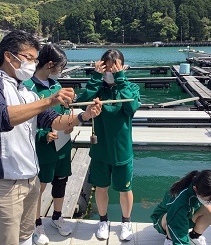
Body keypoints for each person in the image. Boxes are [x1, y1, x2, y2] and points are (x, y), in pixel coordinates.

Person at [0, 30, 102, 245]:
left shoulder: (25, 91)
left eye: (34, 58)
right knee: (8, 241)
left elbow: (55, 121)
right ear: (8, 56)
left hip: (30, 177)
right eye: (29, 58)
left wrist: (84, 115)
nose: (33, 63)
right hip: (4, 182)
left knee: (24, 237)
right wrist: (48, 101)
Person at [75, 49, 141, 241]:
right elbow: (81, 103)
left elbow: (131, 107)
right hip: (100, 150)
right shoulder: (98, 88)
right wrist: (96, 77)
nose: (111, 72)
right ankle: (103, 220)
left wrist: (120, 79)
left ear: (123, 67)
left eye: (115, 68)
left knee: (125, 189)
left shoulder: (131, 88)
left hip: (122, 151)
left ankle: (126, 222)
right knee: (101, 187)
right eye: (107, 68)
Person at [22, 43, 73, 245]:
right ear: (50, 64)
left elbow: (62, 113)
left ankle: (57, 217)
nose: (60, 72)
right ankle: (36, 224)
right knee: (40, 186)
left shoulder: (57, 86)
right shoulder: (28, 87)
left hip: (62, 144)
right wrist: (43, 133)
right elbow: (23, 123)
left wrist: (68, 123)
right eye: (59, 67)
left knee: (61, 181)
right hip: (42, 148)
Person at [150, 170, 211, 245]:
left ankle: (194, 237)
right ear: (195, 189)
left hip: (186, 214)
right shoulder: (180, 201)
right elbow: (177, 225)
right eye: (209, 199)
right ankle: (170, 240)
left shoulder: (201, 186)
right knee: (172, 220)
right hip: (167, 219)